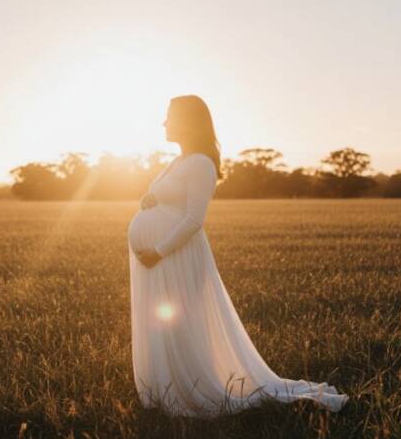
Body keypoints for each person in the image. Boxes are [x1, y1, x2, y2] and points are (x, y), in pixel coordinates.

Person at [126, 95, 349, 417]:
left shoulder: (201, 163)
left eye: (170, 116)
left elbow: (194, 220)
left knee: (181, 323)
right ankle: (165, 387)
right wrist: (151, 203)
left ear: (188, 121)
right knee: (164, 325)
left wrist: (159, 251)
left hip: (173, 256)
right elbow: (171, 202)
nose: (164, 123)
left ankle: (190, 388)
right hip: (157, 260)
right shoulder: (177, 162)